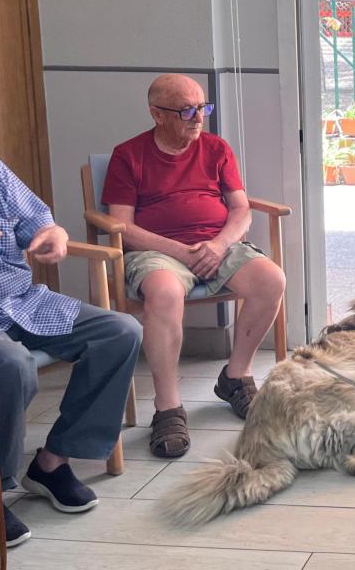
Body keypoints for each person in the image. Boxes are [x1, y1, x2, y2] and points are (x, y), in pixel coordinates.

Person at [0, 141, 141, 547]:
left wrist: (52, 234)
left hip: (18, 300)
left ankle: (52, 461)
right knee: (9, 362)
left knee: (120, 331)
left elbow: (36, 218)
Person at [103, 74, 286, 458]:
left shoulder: (216, 148)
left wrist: (218, 245)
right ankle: (168, 407)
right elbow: (122, 226)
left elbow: (241, 209)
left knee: (271, 279)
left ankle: (235, 377)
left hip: (217, 244)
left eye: (203, 107)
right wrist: (180, 251)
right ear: (157, 114)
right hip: (157, 251)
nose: (199, 117)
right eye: (187, 110)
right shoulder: (128, 155)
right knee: (164, 293)